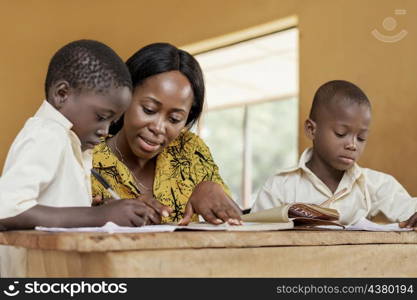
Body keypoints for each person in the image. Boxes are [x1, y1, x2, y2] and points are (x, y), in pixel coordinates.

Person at [92, 42, 242, 225]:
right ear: (125, 96)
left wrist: (209, 188)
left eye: (174, 119)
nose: (158, 127)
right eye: (148, 110)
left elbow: (232, 219)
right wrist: (102, 214)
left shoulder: (190, 150)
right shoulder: (85, 156)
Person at [252, 80, 417, 227]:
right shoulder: (279, 187)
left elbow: (409, 211)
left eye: (361, 138)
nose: (352, 145)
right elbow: (252, 238)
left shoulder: (376, 185)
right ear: (311, 130)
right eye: (340, 133)